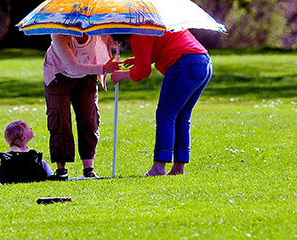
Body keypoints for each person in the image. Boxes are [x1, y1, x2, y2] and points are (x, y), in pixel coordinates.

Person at [111, 30, 213, 176]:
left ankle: (159, 167)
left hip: (184, 63)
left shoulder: (138, 33)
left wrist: (122, 75)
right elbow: (162, 45)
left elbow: (143, 72)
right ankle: (179, 167)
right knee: (182, 117)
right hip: (203, 62)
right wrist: (138, 59)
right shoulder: (154, 23)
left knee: (166, 115)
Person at [43, 33, 121, 180]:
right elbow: (72, 67)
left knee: (89, 119)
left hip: (87, 75)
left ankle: (88, 168)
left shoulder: (94, 28)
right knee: (60, 120)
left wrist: (119, 36)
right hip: (58, 74)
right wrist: (103, 68)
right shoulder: (58, 34)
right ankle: (61, 170)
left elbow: (111, 42)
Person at [0, 120, 53, 184]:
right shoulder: (27, 154)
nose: (31, 128)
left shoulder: (9, 155)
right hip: (30, 175)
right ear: (23, 138)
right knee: (43, 163)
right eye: (28, 129)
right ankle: (51, 175)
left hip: (16, 177)